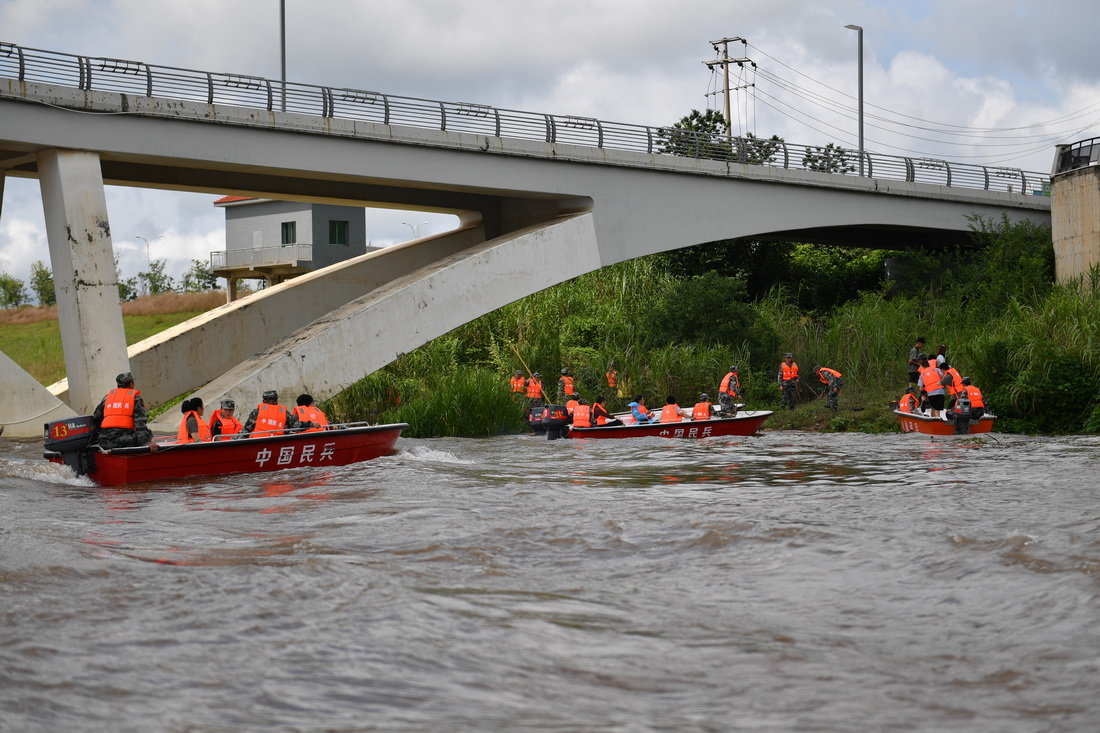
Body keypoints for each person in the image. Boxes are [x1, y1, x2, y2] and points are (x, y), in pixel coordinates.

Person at [91, 371, 159, 452]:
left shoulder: (107, 398)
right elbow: (140, 423)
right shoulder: (135, 398)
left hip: (104, 441)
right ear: (131, 384)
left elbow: (96, 417)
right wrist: (147, 441)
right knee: (148, 434)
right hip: (124, 441)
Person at [238, 390, 312, 438]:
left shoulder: (257, 412)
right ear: (276, 401)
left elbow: (247, 430)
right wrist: (311, 424)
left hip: (258, 443)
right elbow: (296, 426)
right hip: (278, 443)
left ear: (263, 401)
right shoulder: (284, 413)